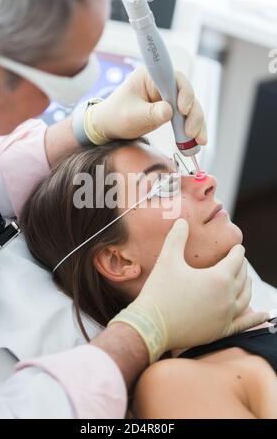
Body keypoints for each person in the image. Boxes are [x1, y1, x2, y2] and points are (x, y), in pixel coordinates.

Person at [0, 0, 267, 419]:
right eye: (68, 79)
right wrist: (144, 330)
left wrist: (85, 127)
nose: (206, 180)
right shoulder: (183, 387)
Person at [21, 139, 276, 419]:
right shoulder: (176, 387)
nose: (207, 182)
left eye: (179, 172)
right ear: (118, 260)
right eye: (163, 186)